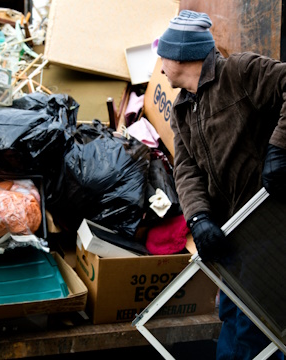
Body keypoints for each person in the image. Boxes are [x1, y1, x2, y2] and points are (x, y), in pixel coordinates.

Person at [156, 9, 286, 360]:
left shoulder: (240, 72)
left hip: (269, 225)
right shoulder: (183, 107)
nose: (159, 63)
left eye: (160, 52)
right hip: (232, 236)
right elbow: (185, 170)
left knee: (256, 329)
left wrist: (279, 147)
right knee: (232, 315)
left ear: (178, 54)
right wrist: (199, 219)